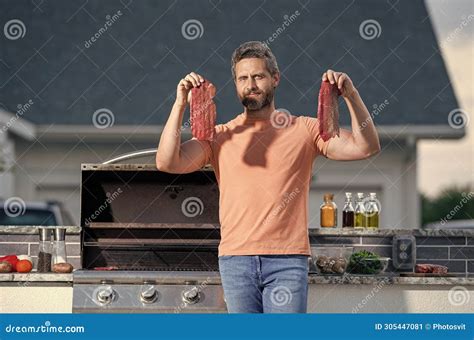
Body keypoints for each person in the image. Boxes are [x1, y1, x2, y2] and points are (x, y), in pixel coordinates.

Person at [156, 41, 381, 313]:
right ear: (236, 84)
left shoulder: (305, 130)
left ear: (275, 79)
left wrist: (351, 96)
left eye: (258, 76)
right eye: (243, 78)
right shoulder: (219, 135)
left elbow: (365, 147)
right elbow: (167, 161)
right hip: (236, 260)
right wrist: (180, 103)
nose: (250, 84)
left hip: (288, 260)